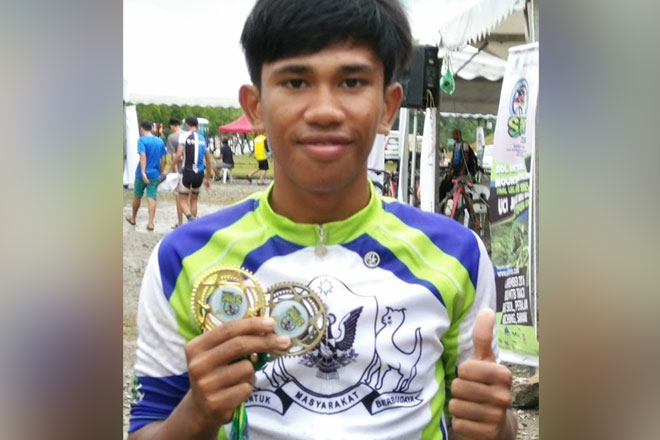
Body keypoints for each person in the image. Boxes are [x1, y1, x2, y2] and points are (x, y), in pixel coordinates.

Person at [128, 1, 517, 439]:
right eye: (296, 81)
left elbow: (488, 425)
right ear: (254, 106)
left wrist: (495, 423)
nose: (325, 110)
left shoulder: (457, 253)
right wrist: (197, 413)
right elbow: (146, 428)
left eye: (352, 81)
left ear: (388, 106)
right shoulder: (183, 259)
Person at [170, 116, 214, 223]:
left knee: (182, 198)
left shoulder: (184, 136)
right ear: (198, 126)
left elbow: (179, 153)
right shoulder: (203, 139)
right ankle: (192, 224)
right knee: (194, 199)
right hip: (199, 173)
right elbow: (208, 159)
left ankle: (189, 216)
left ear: (187, 125)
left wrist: (171, 167)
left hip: (187, 171)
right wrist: (208, 177)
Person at [125, 120, 167, 231]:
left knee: (137, 196)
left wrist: (143, 172)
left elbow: (142, 156)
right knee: (152, 197)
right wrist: (161, 172)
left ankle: (133, 218)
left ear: (142, 129)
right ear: (152, 129)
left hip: (141, 174)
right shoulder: (160, 141)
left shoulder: (142, 140)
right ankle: (151, 223)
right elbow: (164, 159)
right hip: (154, 174)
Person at [166, 117, 185, 228]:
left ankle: (180, 222)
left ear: (172, 126)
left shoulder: (171, 137)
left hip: (179, 169)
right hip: (189, 169)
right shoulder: (187, 134)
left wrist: (176, 172)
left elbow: (174, 156)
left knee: (178, 197)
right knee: (188, 196)